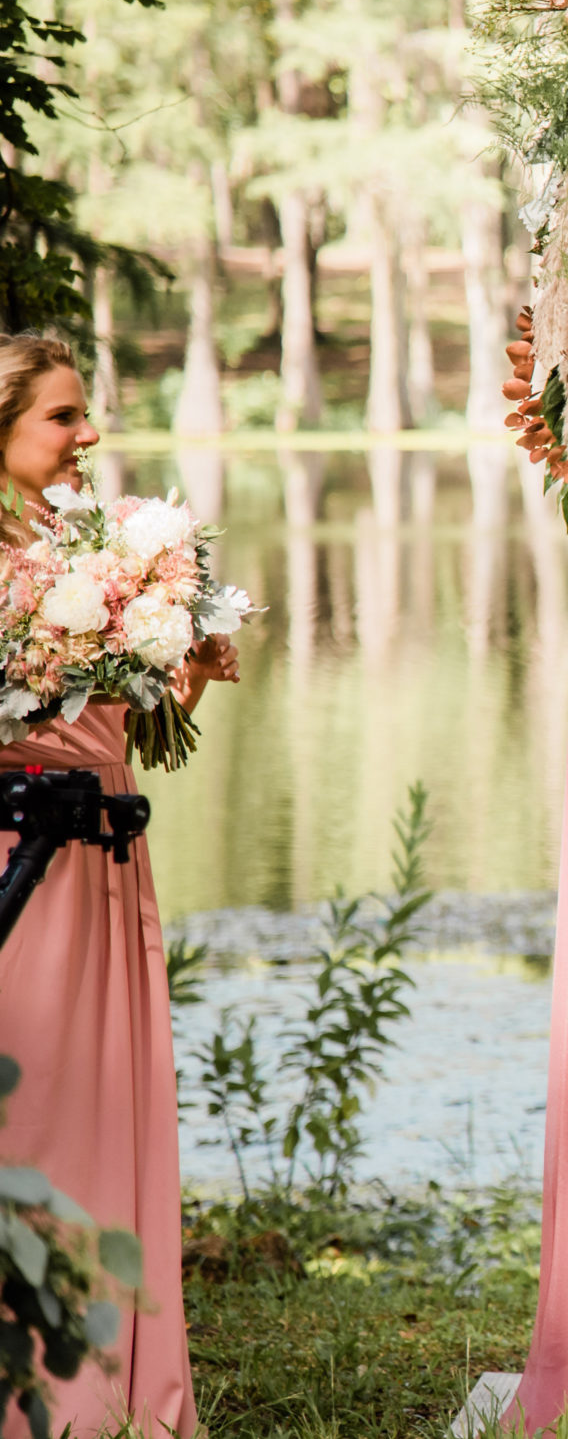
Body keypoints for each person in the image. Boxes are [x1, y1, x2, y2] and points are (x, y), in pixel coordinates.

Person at [0, 335, 237, 1438]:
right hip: (23, 869)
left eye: (86, 411)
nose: (89, 433)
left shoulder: (74, 539)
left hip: (105, 846)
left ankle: (122, 1393)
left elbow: (107, 715)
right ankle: (39, 1398)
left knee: (107, 1108)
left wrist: (174, 662)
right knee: (34, 1114)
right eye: (62, 416)